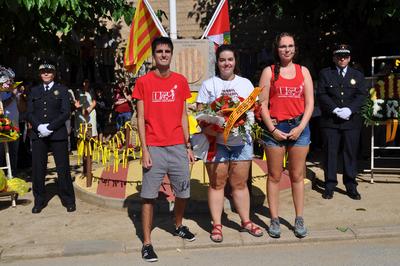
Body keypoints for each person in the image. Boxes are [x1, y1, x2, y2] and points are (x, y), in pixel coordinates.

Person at [132, 36, 196, 262]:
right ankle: (147, 243)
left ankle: (178, 224)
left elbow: (183, 114)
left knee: (183, 192)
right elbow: (140, 118)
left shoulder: (180, 81)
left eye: (167, 51)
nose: (163, 55)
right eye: (159, 51)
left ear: (171, 54)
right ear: (154, 55)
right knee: (148, 197)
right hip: (155, 147)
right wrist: (145, 150)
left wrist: (188, 146)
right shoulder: (143, 82)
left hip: (178, 145)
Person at [196, 44, 263, 243]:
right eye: (223, 60)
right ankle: (217, 225)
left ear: (235, 62)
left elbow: (253, 111)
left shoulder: (246, 84)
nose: (226, 63)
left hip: (241, 141)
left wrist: (243, 125)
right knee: (217, 184)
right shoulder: (209, 85)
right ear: (217, 62)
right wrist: (212, 126)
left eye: (230, 60)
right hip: (216, 142)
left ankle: (246, 221)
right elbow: (200, 114)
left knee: (239, 184)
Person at [259, 32, 314, 238]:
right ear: (277, 48)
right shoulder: (269, 71)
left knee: (297, 176)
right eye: (283, 46)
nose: (287, 49)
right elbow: (262, 104)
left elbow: (309, 104)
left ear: (295, 48)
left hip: (299, 128)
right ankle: (274, 219)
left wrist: (300, 128)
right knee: (274, 176)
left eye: (290, 46)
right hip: (275, 129)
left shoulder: (303, 71)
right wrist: (272, 130)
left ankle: (299, 218)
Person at [317, 44, 367, 200]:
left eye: (345, 56)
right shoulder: (326, 74)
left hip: (351, 121)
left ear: (349, 58)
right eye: (339, 56)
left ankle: (351, 185)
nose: (342, 58)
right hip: (331, 121)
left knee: (350, 153)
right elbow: (322, 94)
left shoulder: (357, 75)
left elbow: (361, 95)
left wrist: (350, 110)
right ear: (334, 58)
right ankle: (330, 185)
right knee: (330, 153)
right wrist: (335, 109)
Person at [26, 62, 76, 214]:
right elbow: (29, 112)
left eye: (49, 71)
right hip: (38, 134)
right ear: (40, 74)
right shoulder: (34, 91)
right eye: (43, 71)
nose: (46, 74)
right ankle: (39, 201)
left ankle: (68, 200)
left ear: (54, 74)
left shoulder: (62, 90)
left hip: (57, 134)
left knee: (63, 169)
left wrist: (50, 127)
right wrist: (39, 126)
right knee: (38, 169)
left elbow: (66, 112)